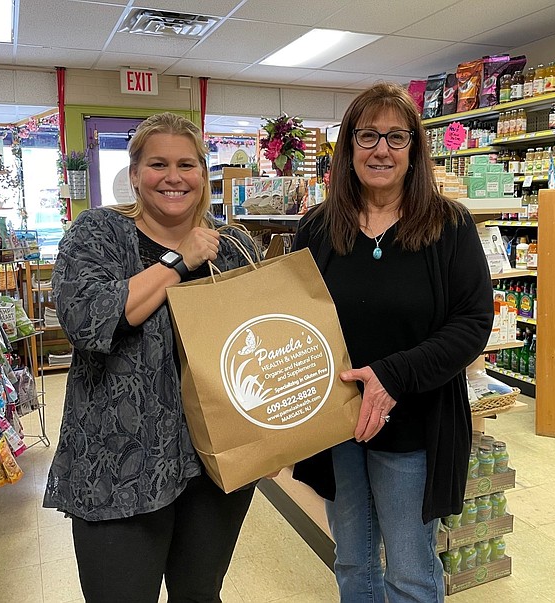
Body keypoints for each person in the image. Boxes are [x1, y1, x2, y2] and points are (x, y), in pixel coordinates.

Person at [42, 113, 258, 603]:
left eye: (187, 164)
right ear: (135, 173)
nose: (174, 176)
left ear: (203, 173)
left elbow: (260, 343)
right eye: (158, 164)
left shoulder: (235, 246)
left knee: (199, 595)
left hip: (214, 467)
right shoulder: (98, 232)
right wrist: (179, 260)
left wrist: (269, 434)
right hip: (118, 467)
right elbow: (86, 320)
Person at [291, 82, 494, 602]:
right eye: (368, 135)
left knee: (410, 568)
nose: (381, 149)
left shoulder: (448, 226)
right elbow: (292, 324)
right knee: (353, 560)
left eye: (396, 137)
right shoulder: (316, 229)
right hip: (335, 424)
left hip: (414, 426)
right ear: (348, 146)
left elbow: (472, 322)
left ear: (414, 150)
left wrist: (392, 376)